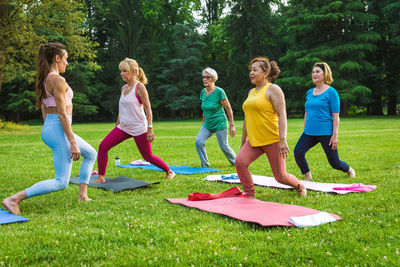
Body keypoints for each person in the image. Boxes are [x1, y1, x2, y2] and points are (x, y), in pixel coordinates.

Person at [2, 42, 97, 214]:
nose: (67, 63)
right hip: (59, 127)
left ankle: (83, 195)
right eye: (65, 59)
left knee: (90, 153)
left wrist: (54, 130)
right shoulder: (58, 80)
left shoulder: (45, 79)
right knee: (61, 181)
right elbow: (61, 113)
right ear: (57, 58)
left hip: (53, 127)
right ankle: (14, 199)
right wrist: (72, 141)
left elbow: (46, 110)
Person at [94, 58, 175, 183]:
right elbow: (122, 108)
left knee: (147, 156)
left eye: (124, 71)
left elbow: (148, 109)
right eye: (121, 71)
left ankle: (169, 171)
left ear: (133, 72)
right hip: (123, 127)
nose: (121, 74)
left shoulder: (140, 87)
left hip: (139, 128)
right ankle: (101, 177)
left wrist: (150, 128)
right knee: (103, 146)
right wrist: (117, 124)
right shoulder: (123, 88)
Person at [235, 57, 306, 198]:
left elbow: (282, 114)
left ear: (266, 73)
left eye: (255, 70)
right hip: (254, 141)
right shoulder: (251, 92)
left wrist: (282, 139)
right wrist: (243, 141)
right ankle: (250, 195)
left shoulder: (273, 89)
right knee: (240, 162)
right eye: (250, 70)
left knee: (280, 177)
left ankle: (300, 186)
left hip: (272, 139)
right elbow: (247, 118)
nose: (251, 73)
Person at [294, 62, 355, 181]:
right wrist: (305, 128)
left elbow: (336, 115)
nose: (314, 74)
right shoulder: (309, 92)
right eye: (313, 72)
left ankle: (349, 169)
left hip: (326, 132)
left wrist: (335, 135)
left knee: (335, 163)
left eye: (317, 71)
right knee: (298, 152)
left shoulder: (331, 92)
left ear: (325, 74)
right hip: (309, 132)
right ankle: (308, 176)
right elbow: (307, 112)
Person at [195, 67, 236, 167]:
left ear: (213, 79)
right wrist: (203, 122)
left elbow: (229, 109)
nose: (204, 79)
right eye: (203, 77)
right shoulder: (202, 92)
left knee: (224, 146)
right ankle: (205, 165)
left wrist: (232, 125)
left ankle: (237, 163)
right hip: (208, 124)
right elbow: (205, 108)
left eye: (207, 77)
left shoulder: (219, 92)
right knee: (199, 142)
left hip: (219, 122)